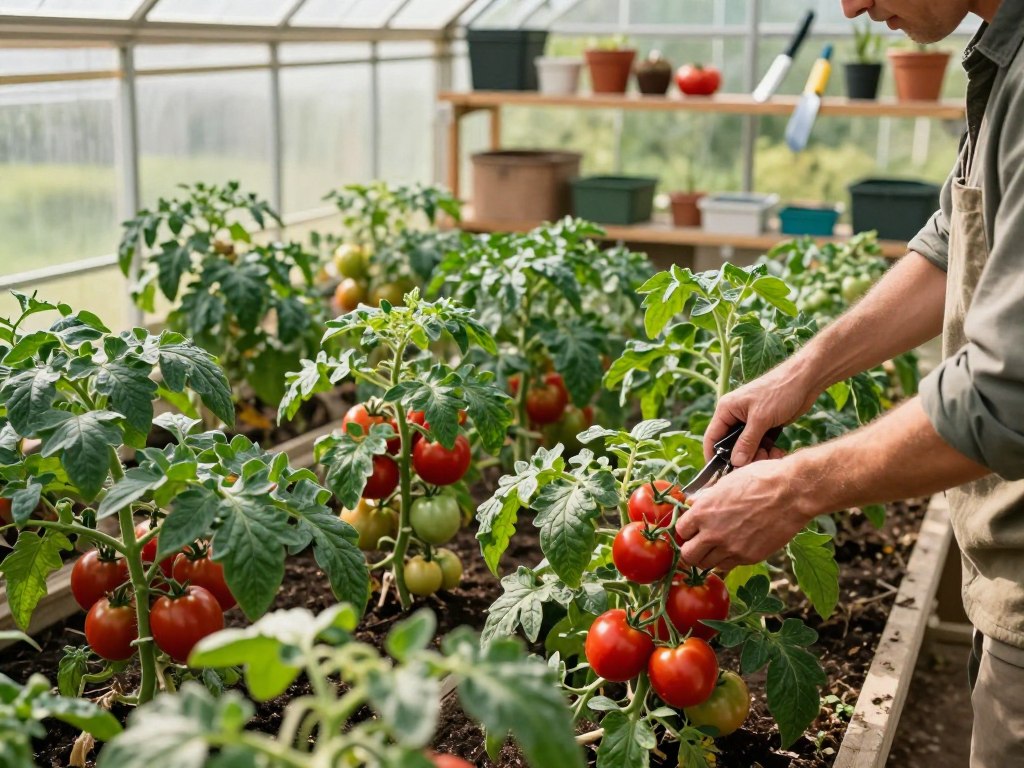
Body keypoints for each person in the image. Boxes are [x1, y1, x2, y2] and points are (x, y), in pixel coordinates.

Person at [673, 1, 1024, 764]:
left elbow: (1008, 394)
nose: (852, 7)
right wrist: (799, 374)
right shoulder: (1004, 57)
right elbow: (951, 243)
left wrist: (793, 490)